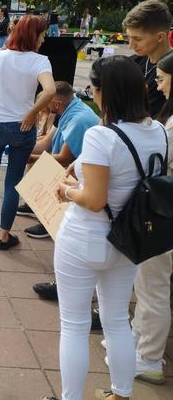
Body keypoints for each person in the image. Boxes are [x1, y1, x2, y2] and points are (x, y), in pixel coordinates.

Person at [51, 56, 167, 400]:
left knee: (73, 325)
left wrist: (66, 190)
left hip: (85, 238)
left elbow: (94, 198)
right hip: (129, 238)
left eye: (94, 88)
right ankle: (121, 393)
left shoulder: (102, 135)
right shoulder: (159, 130)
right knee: (117, 320)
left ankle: (72, 397)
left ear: (105, 92)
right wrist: (80, 165)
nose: (92, 94)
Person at [0, 15, 56, 249]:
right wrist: (31, 114)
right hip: (22, 127)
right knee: (12, 182)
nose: (43, 39)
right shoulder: (40, 61)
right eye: (42, 34)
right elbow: (50, 90)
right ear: (34, 35)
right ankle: (4, 236)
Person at [126, 50, 173, 385]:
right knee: (147, 282)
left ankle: (150, 358)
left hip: (165, 211)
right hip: (162, 209)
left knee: (153, 285)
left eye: (161, 77)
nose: (157, 83)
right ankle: (138, 342)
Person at [24, 82, 99, 239]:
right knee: (34, 159)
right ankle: (35, 203)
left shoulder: (78, 120)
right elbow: (46, 143)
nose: (42, 105)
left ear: (56, 104)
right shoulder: (66, 109)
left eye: (45, 100)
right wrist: (22, 149)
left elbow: (64, 158)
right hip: (78, 165)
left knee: (41, 163)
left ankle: (49, 219)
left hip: (85, 172)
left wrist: (30, 157)